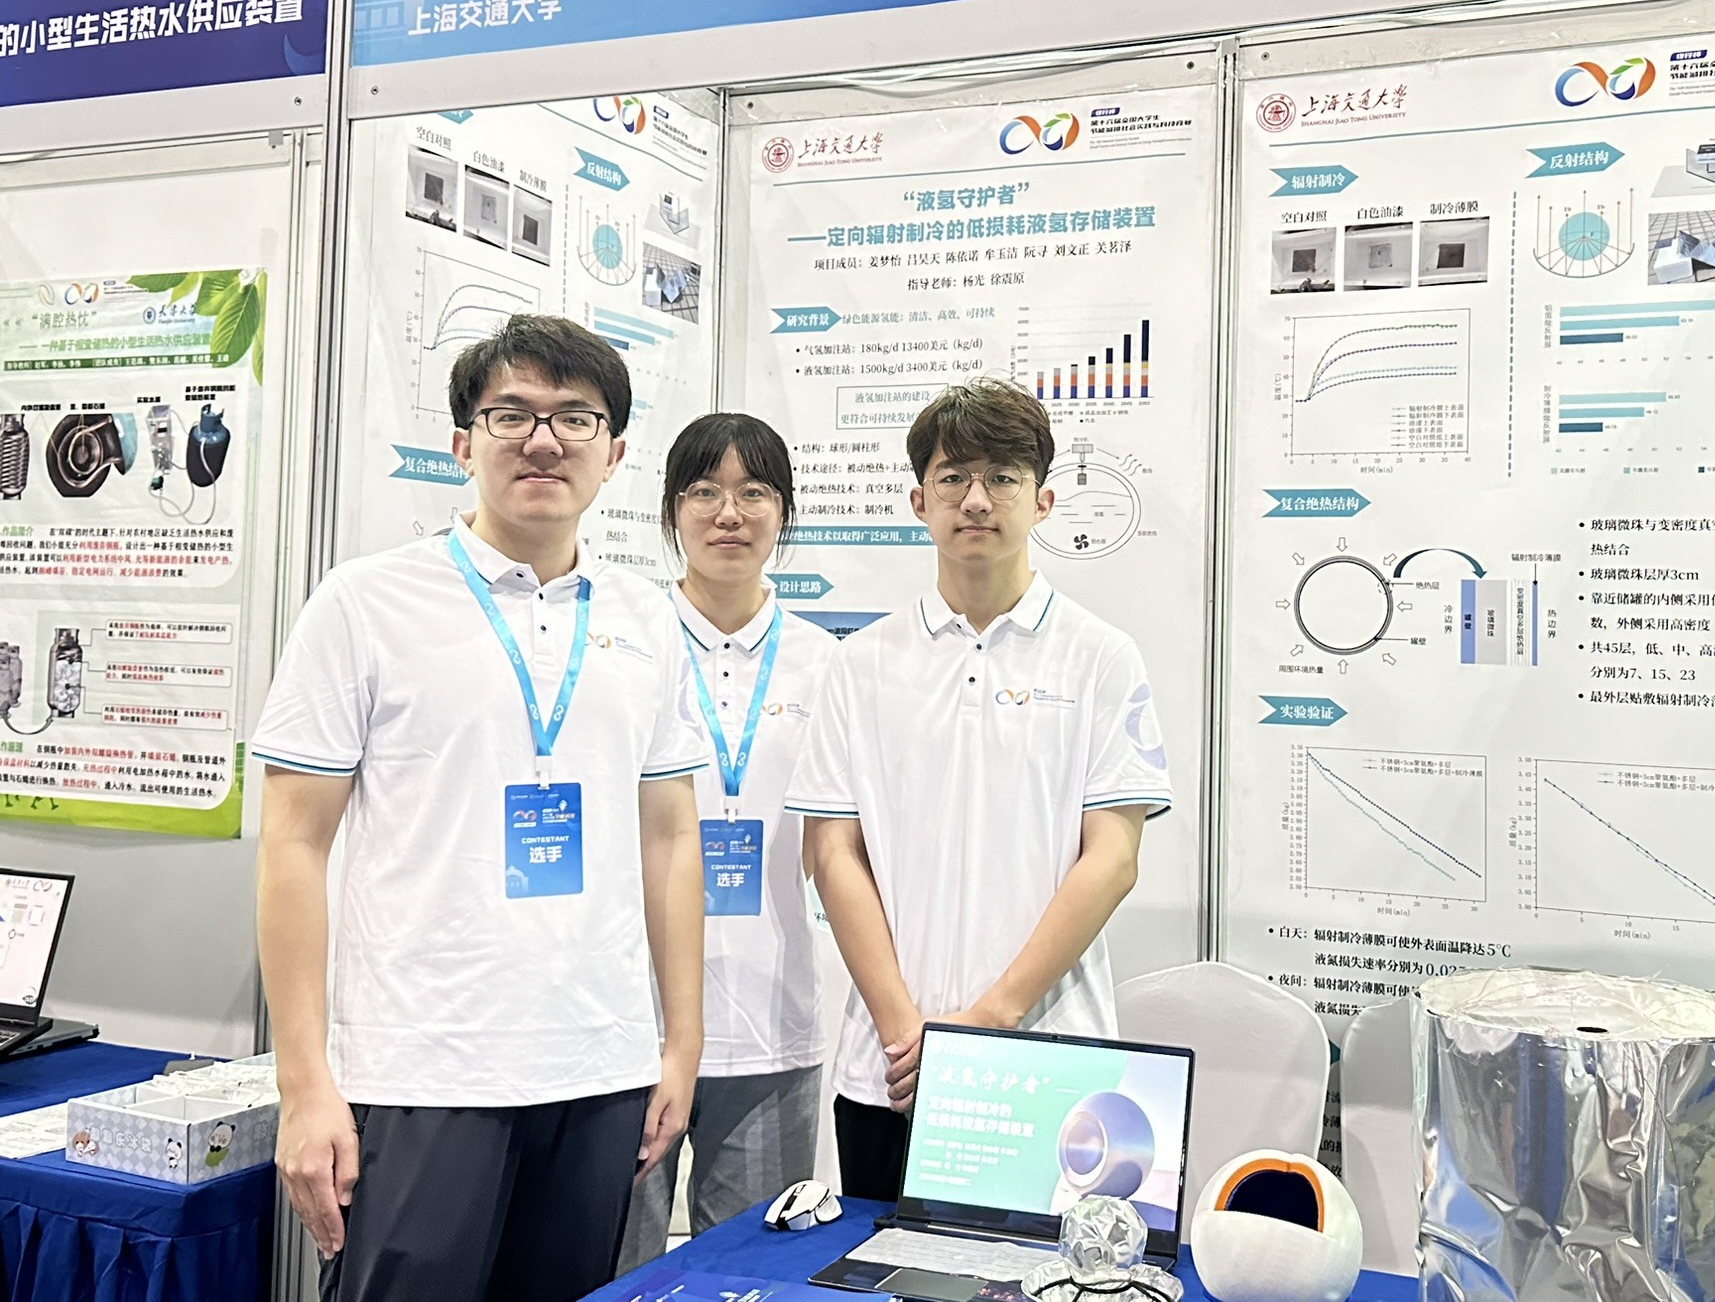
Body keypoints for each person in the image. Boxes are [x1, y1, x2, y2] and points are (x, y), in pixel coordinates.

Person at [253, 314, 711, 1302]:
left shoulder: (645, 617)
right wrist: (303, 1083)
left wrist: (680, 1044)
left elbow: (673, 838)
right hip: (423, 1069)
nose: (543, 440)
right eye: (512, 415)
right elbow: (292, 844)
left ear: (614, 454)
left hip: (599, 1068)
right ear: (463, 443)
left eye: (575, 418)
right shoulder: (365, 603)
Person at [790, 377, 1172, 1199]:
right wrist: (905, 1027)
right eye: (954, 477)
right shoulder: (861, 663)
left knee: (1045, 1268)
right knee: (882, 1264)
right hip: (893, 1069)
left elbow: (1112, 858)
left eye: (1003, 477)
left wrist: (992, 1020)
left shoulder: (1101, 657)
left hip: (1051, 1061)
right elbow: (833, 853)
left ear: (1043, 501)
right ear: (919, 501)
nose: (976, 498)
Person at [614, 412, 837, 1270]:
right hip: (629, 1019)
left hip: (772, 1019)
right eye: (704, 491)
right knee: (620, 1267)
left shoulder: (826, 664)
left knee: (749, 1271)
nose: (729, 513)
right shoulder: (622, 646)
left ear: (784, 512)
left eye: (754, 493)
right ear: (672, 509)